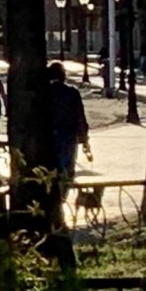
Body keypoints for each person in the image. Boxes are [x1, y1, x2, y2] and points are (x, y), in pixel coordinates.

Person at [49, 62, 90, 195]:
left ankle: (54, 195)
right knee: (67, 167)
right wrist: (84, 139)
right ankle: (62, 195)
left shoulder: (45, 93)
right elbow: (80, 116)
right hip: (68, 135)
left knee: (52, 168)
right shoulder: (72, 93)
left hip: (49, 135)